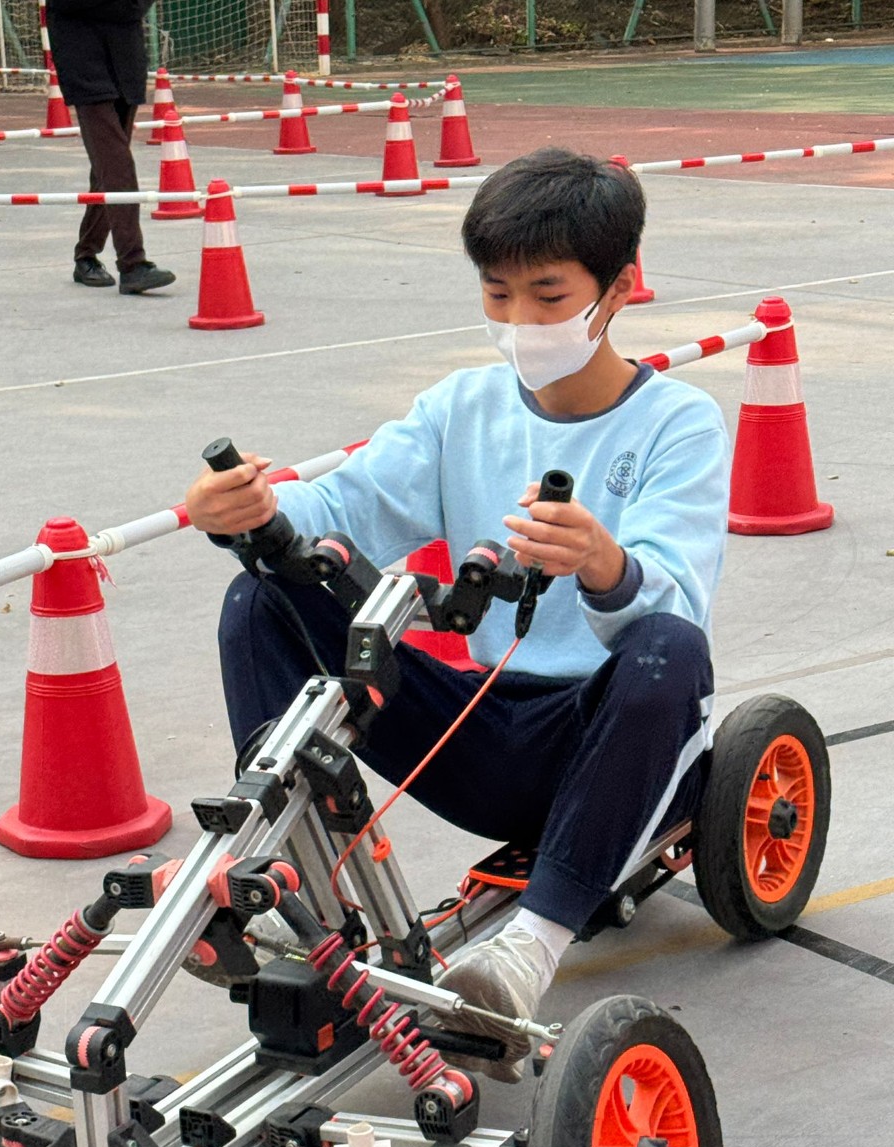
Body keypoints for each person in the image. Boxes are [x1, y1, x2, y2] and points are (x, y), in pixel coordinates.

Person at [185, 148, 731, 1083]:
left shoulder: (678, 422)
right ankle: (285, 884)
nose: (520, 321)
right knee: (262, 595)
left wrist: (603, 563)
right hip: (478, 730)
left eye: (548, 296)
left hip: (609, 736)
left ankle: (529, 951)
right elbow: (344, 506)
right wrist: (252, 513)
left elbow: (673, 598)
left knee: (666, 648)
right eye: (497, 294)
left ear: (619, 289)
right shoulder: (461, 407)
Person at [47, 0, 175, 294]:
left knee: (107, 168)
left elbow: (135, 7)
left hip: (125, 66)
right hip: (85, 68)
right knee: (117, 164)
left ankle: (86, 254)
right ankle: (132, 263)